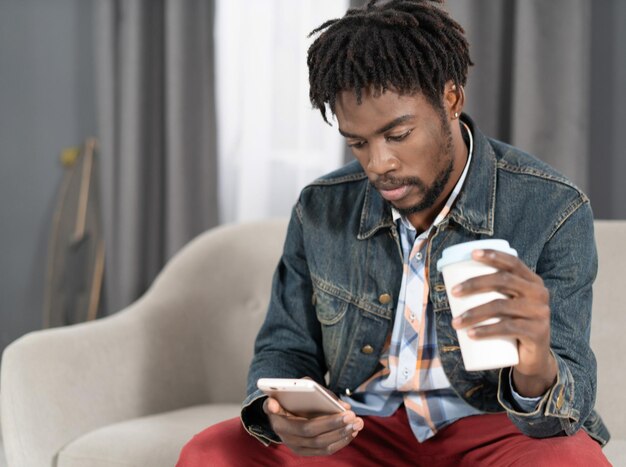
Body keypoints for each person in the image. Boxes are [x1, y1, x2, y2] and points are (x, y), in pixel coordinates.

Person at [177, 0, 611, 465]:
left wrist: (535, 361)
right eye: (357, 143)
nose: (378, 164)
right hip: (362, 429)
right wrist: (280, 414)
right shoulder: (319, 208)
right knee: (213, 452)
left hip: (496, 428)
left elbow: (557, 417)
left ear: (451, 98)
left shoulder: (554, 208)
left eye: (398, 135)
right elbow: (285, 347)